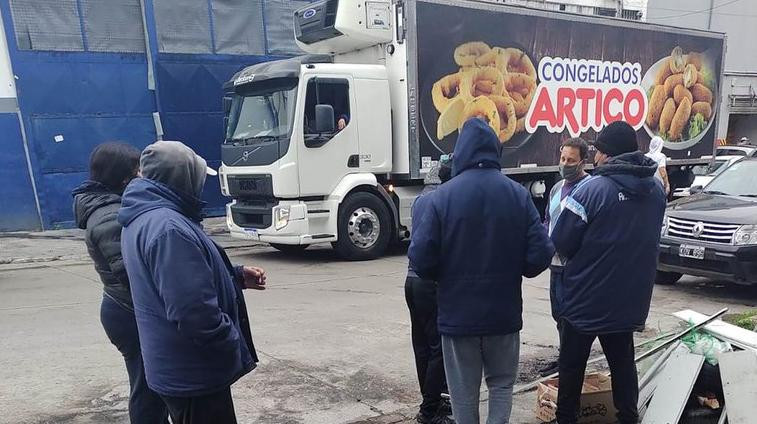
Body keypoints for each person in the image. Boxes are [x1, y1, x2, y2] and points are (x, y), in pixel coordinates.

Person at [409, 118, 554, 424]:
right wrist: (518, 267)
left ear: (460, 152)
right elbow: (541, 253)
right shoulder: (517, 195)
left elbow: (421, 261)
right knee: (501, 386)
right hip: (503, 315)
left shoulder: (441, 198)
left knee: (463, 396)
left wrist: (446, 275)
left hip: (457, 318)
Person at [118, 140, 265, 424]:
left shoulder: (143, 216)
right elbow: (193, 312)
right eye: (197, 178)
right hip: (193, 373)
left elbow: (171, 280)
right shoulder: (169, 228)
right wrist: (229, 341)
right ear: (182, 178)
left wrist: (233, 276)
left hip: (177, 368)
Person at [551, 121, 666, 424]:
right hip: (629, 299)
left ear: (606, 154)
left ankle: (566, 419)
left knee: (572, 367)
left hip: (585, 300)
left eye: (598, 151)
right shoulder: (655, 189)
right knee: (623, 364)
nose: (596, 157)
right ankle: (628, 418)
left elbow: (561, 240)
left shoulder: (592, 190)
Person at [72, 142, 169, 424]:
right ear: (122, 176)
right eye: (135, 170)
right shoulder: (109, 214)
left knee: (148, 383)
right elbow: (130, 275)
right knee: (148, 388)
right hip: (128, 312)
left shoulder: (109, 205)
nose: (141, 175)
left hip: (124, 308)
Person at [406, 156, 454, 424]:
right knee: (439, 348)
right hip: (430, 282)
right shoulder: (443, 201)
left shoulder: (420, 199)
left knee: (422, 345)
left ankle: (429, 399)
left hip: (411, 282)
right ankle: (431, 408)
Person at [539, 138, 592, 377]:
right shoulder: (557, 188)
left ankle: (569, 362)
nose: (565, 164)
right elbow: (548, 222)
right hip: (555, 263)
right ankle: (563, 357)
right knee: (557, 313)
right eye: (563, 159)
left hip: (575, 265)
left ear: (583, 161)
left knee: (570, 317)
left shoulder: (590, 188)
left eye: (571, 160)